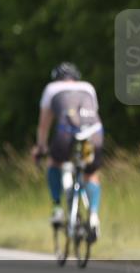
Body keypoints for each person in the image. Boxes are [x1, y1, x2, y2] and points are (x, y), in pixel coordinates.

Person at [31, 62, 104, 237]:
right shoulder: (88, 87)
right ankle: (93, 215)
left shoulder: (51, 89)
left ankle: (57, 207)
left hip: (66, 136)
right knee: (90, 173)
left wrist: (41, 147)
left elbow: (43, 127)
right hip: (91, 135)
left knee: (54, 162)